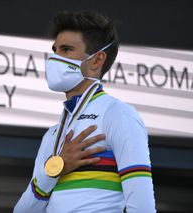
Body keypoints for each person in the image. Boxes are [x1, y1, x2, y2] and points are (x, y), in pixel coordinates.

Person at [14, 11, 156, 213]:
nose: (55, 58)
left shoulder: (118, 115)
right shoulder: (52, 136)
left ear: (97, 60)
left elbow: (142, 207)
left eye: (66, 49)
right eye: (54, 50)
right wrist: (55, 170)